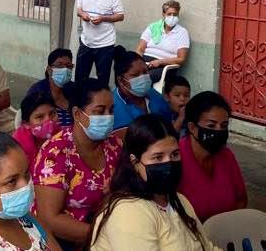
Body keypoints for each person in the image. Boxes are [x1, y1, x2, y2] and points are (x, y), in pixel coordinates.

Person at [89, 114, 220, 251]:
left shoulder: (179, 200)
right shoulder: (128, 211)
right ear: (135, 162)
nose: (169, 163)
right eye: (158, 157)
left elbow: (208, 248)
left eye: (175, 154)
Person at [34, 78, 120, 250]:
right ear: (77, 114)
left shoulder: (114, 145)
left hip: (105, 225)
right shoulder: (56, 153)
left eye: (111, 111)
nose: (108, 117)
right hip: (63, 240)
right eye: (99, 112)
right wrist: (102, 234)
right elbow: (50, 219)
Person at [178, 91, 247, 222]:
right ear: (192, 127)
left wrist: (231, 227)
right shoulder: (176, 158)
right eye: (211, 125)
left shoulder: (226, 155)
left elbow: (241, 199)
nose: (218, 131)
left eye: (224, 126)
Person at [75, 0, 124, 87]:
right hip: (86, 42)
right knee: (80, 78)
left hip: (105, 44)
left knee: (102, 81)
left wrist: (103, 18)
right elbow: (79, 10)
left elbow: (120, 16)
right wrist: (83, 15)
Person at [112, 46, 171, 133]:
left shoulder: (152, 94)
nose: (143, 78)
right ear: (121, 80)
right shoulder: (114, 106)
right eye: (135, 75)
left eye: (145, 72)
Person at [136, 0, 190, 83]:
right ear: (163, 14)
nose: (172, 17)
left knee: (143, 79)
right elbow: (140, 49)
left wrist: (160, 62)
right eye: (169, 14)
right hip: (145, 61)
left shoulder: (182, 32)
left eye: (175, 14)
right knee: (129, 73)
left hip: (165, 66)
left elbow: (181, 59)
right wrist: (138, 62)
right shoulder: (153, 27)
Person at [12, 92, 60, 174]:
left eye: (52, 113)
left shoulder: (66, 137)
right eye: (40, 117)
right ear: (26, 124)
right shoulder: (17, 148)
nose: (48, 120)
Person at [26, 48, 75, 126]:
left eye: (69, 66)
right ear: (49, 70)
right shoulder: (37, 91)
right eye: (60, 65)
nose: (65, 70)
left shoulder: (73, 89)